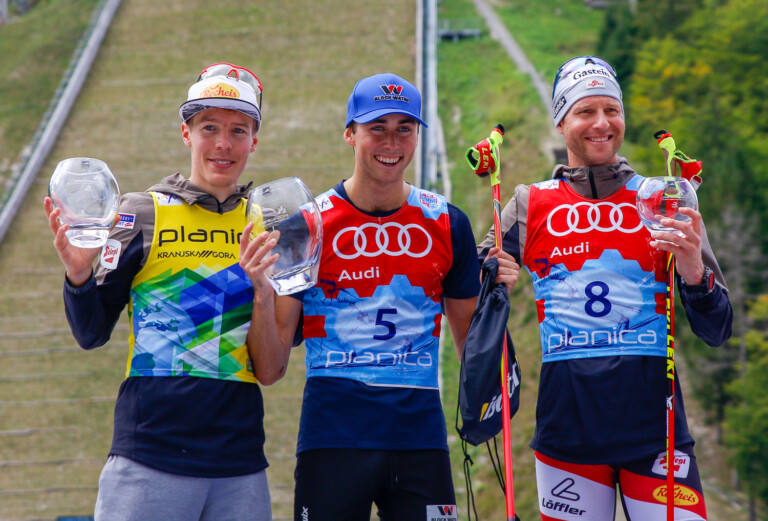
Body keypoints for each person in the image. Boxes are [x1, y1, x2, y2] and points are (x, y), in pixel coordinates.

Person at [240, 72, 517, 521]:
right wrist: (261, 293)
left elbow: (477, 357)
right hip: (333, 440)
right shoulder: (307, 226)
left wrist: (497, 299)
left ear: (417, 136)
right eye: (377, 128)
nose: (392, 142)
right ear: (350, 134)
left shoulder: (448, 223)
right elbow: (271, 370)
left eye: (404, 129)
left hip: (420, 440)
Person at [477, 56, 733, 520]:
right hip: (568, 435)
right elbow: (469, 294)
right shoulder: (529, 203)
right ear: (560, 122)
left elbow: (717, 329)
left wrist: (695, 272)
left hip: (657, 433)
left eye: (611, 110)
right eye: (585, 111)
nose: (601, 123)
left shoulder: (661, 198)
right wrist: (491, 276)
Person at [44, 63, 275, 521]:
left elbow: (274, 362)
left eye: (238, 130)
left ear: (254, 140)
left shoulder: (267, 222)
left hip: (239, 462)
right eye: (209, 127)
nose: (223, 143)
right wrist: (79, 275)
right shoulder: (139, 212)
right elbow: (91, 333)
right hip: (149, 455)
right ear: (186, 133)